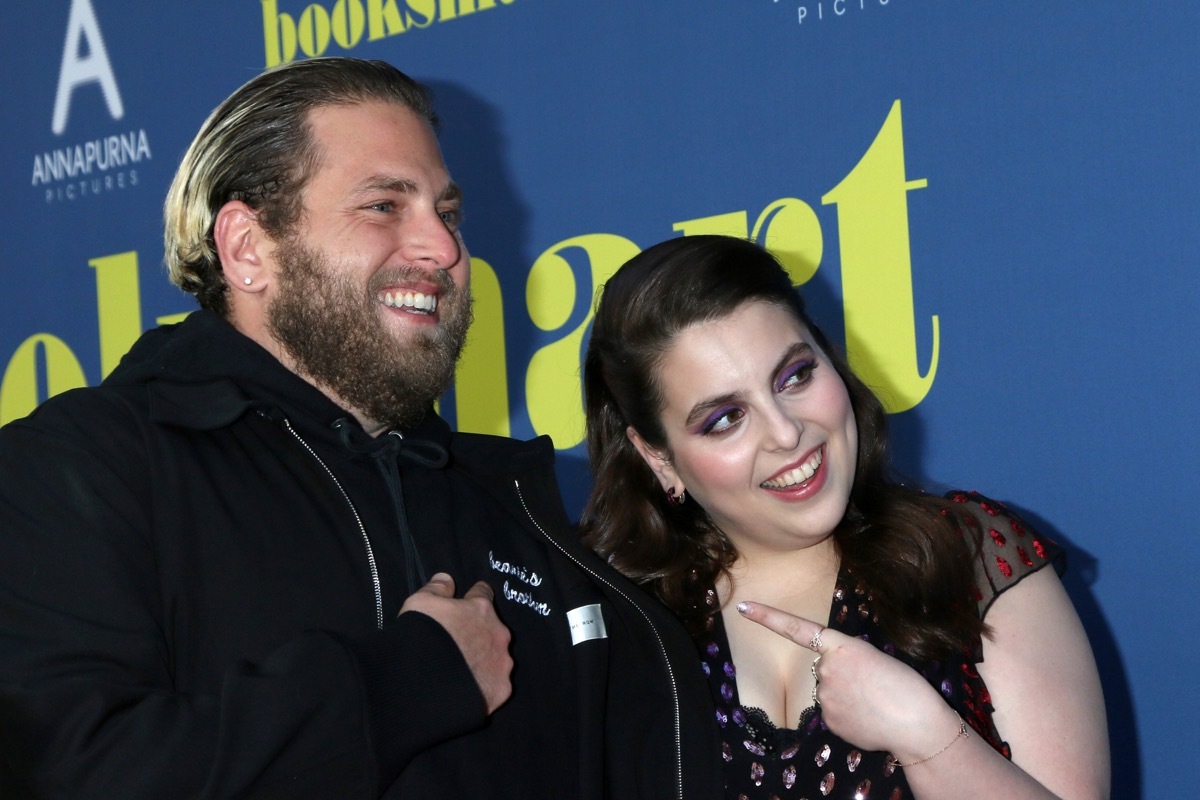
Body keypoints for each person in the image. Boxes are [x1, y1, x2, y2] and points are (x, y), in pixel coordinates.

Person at [0, 58, 721, 799]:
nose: (443, 249)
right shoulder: (82, 466)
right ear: (248, 248)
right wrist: (408, 683)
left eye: (447, 213)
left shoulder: (510, 508)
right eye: (384, 206)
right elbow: (66, 769)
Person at [581, 235, 1109, 799]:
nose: (786, 433)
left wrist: (927, 735)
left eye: (795, 376)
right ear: (658, 457)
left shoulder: (970, 555)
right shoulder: (623, 629)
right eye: (726, 419)